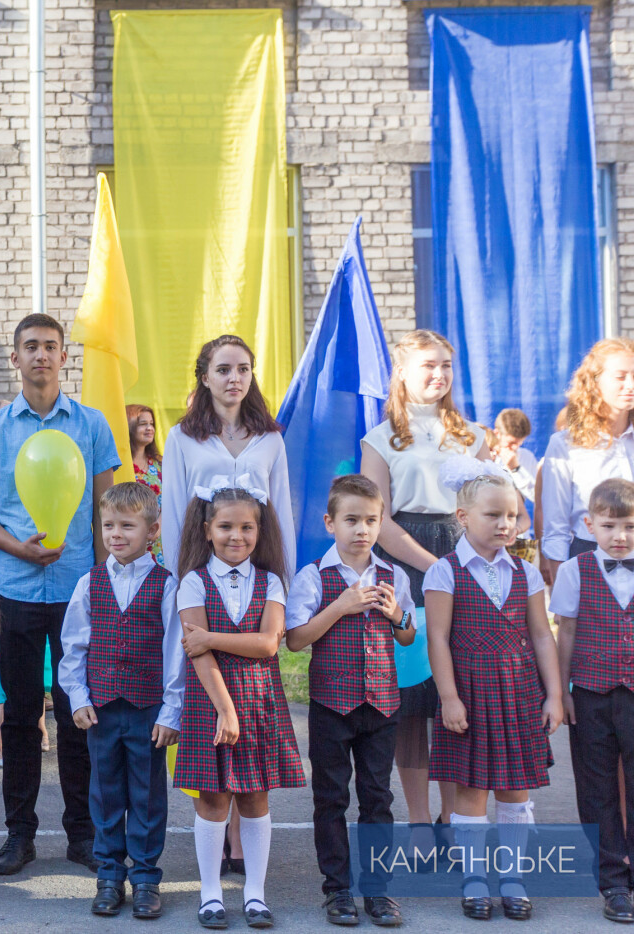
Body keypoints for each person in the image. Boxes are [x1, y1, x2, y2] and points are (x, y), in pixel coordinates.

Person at [0, 313, 118, 876]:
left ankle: (83, 833)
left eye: (50, 346)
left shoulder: (92, 425)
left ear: (63, 357)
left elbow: (107, 511)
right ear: (15, 358)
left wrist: (104, 583)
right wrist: (18, 549)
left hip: (79, 590)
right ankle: (20, 834)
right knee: (21, 715)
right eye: (30, 346)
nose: (41, 355)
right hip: (16, 590)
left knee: (79, 713)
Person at [358, 329, 487, 851]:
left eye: (446, 365)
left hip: (464, 556)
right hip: (409, 563)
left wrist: (461, 565)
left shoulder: (474, 436)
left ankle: (452, 818)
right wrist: (436, 568)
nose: (439, 374)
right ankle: (417, 821)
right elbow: (379, 518)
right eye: (428, 365)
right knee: (413, 698)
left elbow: (486, 505)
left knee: (458, 691)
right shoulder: (379, 438)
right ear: (403, 372)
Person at [424, 462, 559, 921]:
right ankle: (475, 879)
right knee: (471, 789)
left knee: (515, 790)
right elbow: (438, 638)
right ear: (463, 517)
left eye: (513, 515)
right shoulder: (444, 572)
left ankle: (514, 878)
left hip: (519, 692)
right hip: (470, 692)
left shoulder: (527, 572)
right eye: (494, 515)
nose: (506, 524)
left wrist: (553, 694)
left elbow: (542, 635)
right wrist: (449, 697)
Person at [284, 475, 415, 926]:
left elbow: (407, 636)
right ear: (330, 522)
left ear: (381, 523)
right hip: (331, 706)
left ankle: (378, 890)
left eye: (371, 521)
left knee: (378, 797)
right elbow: (295, 640)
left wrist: (397, 614)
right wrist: (339, 606)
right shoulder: (313, 576)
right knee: (331, 797)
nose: (362, 529)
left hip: (382, 705)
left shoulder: (393, 575)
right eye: (351, 520)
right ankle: (337, 889)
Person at [174, 479, 303, 930]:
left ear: (259, 530)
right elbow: (198, 654)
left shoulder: (271, 582)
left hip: (259, 701)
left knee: (254, 798)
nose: (237, 536)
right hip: (211, 702)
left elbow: (268, 643)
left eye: (247, 527)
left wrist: (211, 636)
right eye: (226, 526)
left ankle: (255, 894)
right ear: (207, 529)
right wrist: (225, 710)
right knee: (212, 800)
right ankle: (210, 894)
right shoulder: (193, 582)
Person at [60, 482, 182, 920]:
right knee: (105, 793)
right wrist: (78, 697)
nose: (116, 534)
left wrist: (171, 711)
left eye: (127, 526)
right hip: (102, 710)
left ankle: (146, 877)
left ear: (152, 530)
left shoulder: (166, 586)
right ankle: (109, 875)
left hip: (148, 709)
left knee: (147, 796)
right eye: (109, 525)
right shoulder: (89, 582)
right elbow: (74, 646)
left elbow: (175, 652)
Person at [551, 477, 634, 924]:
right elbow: (565, 632)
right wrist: (562, 692)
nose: (620, 536)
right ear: (589, 525)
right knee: (596, 788)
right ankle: (613, 882)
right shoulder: (574, 570)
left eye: (630, 526)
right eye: (609, 525)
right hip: (589, 693)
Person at [160, 336, 296, 583]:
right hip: (199, 571)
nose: (235, 378)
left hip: (259, 568)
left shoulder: (271, 438)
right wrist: (177, 582)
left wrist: (285, 580)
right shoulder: (182, 437)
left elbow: (281, 514)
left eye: (243, 369)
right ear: (205, 378)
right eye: (223, 370)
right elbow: (173, 513)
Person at [541, 338, 634, 580]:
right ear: (595, 381)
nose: (630, 385)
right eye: (620, 376)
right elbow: (556, 527)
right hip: (589, 562)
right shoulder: (565, 444)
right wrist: (561, 588)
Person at [127, 404, 165, 566]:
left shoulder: (160, 463)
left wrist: (159, 526)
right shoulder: (119, 465)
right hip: (129, 541)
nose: (150, 428)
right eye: (143, 424)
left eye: (151, 424)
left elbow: (171, 499)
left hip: (158, 540)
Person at [491, 408, 539, 505]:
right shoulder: (485, 453)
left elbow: (537, 496)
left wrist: (516, 469)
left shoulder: (526, 457)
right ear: (497, 433)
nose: (515, 447)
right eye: (511, 442)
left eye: (519, 443)